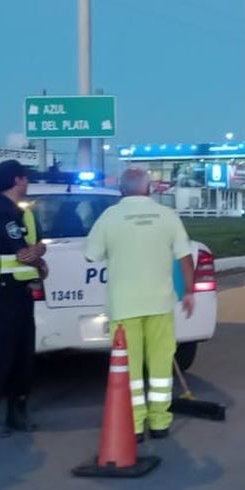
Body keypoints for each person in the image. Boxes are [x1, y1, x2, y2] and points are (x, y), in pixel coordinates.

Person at [84, 167, 196, 441]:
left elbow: (91, 256)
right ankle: (160, 423)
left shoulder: (109, 217)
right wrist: (190, 292)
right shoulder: (167, 216)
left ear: (121, 190)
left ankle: (133, 426)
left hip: (124, 307)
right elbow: (184, 256)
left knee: (129, 370)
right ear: (149, 189)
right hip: (160, 304)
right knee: (159, 366)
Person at [0, 160, 47, 437]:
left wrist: (37, 255)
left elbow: (34, 251)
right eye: (25, 178)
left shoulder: (21, 212)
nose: (28, 183)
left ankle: (18, 410)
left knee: (22, 356)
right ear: (17, 180)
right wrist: (38, 253)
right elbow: (22, 253)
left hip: (20, 293)